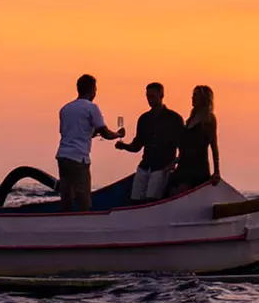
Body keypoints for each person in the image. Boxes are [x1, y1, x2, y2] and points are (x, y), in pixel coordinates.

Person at [56, 74, 123, 211]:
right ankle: (84, 223)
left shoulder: (65, 109)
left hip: (62, 156)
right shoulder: (91, 108)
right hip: (79, 158)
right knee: (83, 198)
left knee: (67, 195)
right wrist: (118, 134)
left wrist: (91, 133)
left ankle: (64, 222)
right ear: (92, 89)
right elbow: (105, 132)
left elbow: (70, 133)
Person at [116, 82, 184, 201]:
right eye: (147, 96)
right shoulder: (144, 119)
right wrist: (124, 146)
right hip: (145, 165)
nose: (149, 99)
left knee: (152, 199)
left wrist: (174, 163)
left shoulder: (174, 119)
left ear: (161, 95)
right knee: (135, 199)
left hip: (162, 167)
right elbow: (137, 146)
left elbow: (183, 146)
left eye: (152, 96)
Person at [173, 85, 220, 191]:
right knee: (171, 190)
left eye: (195, 95)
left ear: (203, 98)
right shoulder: (190, 119)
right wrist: (175, 161)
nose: (192, 98)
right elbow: (185, 146)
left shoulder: (208, 119)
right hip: (183, 165)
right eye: (192, 95)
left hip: (197, 167)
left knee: (181, 190)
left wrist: (216, 171)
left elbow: (213, 146)